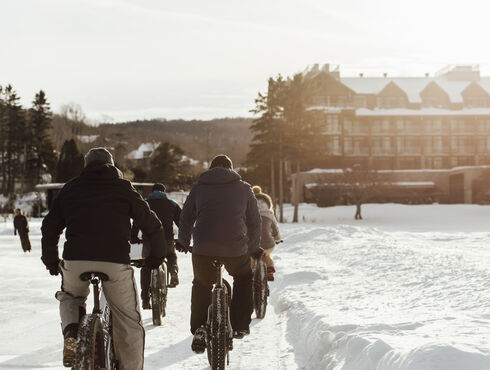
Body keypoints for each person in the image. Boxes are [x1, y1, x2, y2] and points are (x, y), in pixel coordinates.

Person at [41, 147, 166, 370]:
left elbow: (49, 227)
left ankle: (72, 330)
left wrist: (52, 260)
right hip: (114, 261)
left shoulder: (71, 188)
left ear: (86, 166)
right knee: (128, 320)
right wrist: (156, 257)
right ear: (112, 165)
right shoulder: (122, 187)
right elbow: (151, 224)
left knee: (70, 296)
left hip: (76, 260)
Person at [176, 154, 262, 353]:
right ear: (231, 169)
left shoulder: (199, 187)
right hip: (235, 248)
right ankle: (240, 325)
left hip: (203, 247)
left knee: (201, 284)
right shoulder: (244, 188)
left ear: (210, 169)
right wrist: (253, 246)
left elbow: (186, 216)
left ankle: (199, 328)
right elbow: (255, 221)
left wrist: (183, 241)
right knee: (243, 278)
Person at [131, 183, 181, 309]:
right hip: (167, 239)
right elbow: (181, 221)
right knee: (171, 255)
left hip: (150, 241)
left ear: (151, 192)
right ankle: (173, 273)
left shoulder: (145, 203)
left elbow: (137, 222)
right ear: (164, 192)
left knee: (146, 266)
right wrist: (183, 239)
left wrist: (133, 237)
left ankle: (145, 300)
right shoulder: (172, 204)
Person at [251, 186, 282, 281]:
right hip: (268, 245)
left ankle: (250, 273)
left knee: (250, 257)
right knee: (266, 254)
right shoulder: (269, 213)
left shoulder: (248, 213)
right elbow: (275, 229)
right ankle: (270, 269)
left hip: (252, 245)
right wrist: (277, 239)